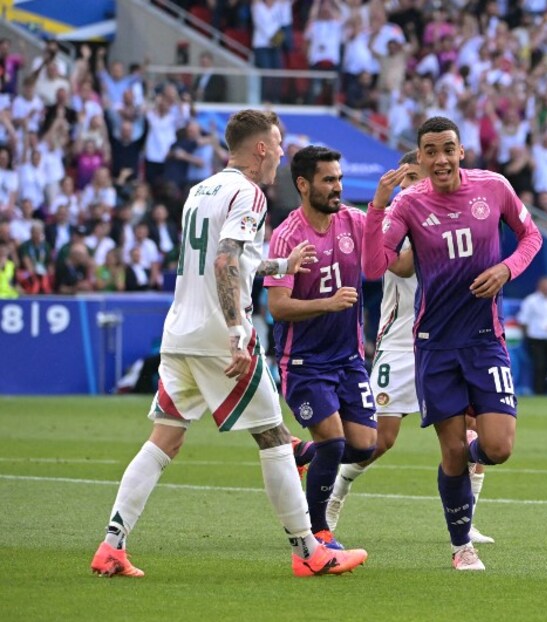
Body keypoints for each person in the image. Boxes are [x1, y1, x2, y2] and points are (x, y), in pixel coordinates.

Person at [91, 109, 367, 578]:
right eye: (277, 144)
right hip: (220, 336)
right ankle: (309, 550)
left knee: (165, 439)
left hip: (180, 333)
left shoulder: (200, 191)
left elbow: (228, 259)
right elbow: (224, 262)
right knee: (275, 438)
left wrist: (280, 267)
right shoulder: (249, 193)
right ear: (260, 148)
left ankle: (111, 545)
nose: (281, 154)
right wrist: (239, 330)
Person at [363, 116, 543, 571]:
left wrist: (506, 269)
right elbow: (373, 267)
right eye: (431, 151)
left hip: (485, 339)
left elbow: (531, 236)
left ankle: (463, 465)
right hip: (436, 344)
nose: (440, 159)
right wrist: (378, 208)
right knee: (451, 450)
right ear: (421, 158)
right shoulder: (408, 204)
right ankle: (462, 546)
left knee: (498, 447)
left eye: (448, 149)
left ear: (461, 151)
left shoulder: (494, 187)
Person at [357, 152, 493, 545]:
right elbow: (399, 265)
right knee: (379, 440)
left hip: (448, 341)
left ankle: (467, 521)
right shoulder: (397, 218)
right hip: (400, 344)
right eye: (407, 178)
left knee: (474, 430)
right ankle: (331, 499)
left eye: (418, 177)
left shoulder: (453, 212)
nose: (412, 185)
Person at [265, 145, 388, 550]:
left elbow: (386, 247)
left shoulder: (353, 221)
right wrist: (328, 303)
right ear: (303, 185)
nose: (338, 187)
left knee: (364, 445)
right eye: (328, 180)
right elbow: (278, 307)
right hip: (304, 361)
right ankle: (318, 532)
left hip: (348, 359)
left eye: (339, 179)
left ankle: (305, 455)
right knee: (334, 443)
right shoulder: (287, 236)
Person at [517, 275, 547, 395]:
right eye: (546, 286)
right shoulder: (530, 300)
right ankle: (538, 390)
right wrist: (526, 335)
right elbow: (523, 319)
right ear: (540, 286)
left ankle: (544, 391)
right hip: (535, 337)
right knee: (539, 364)